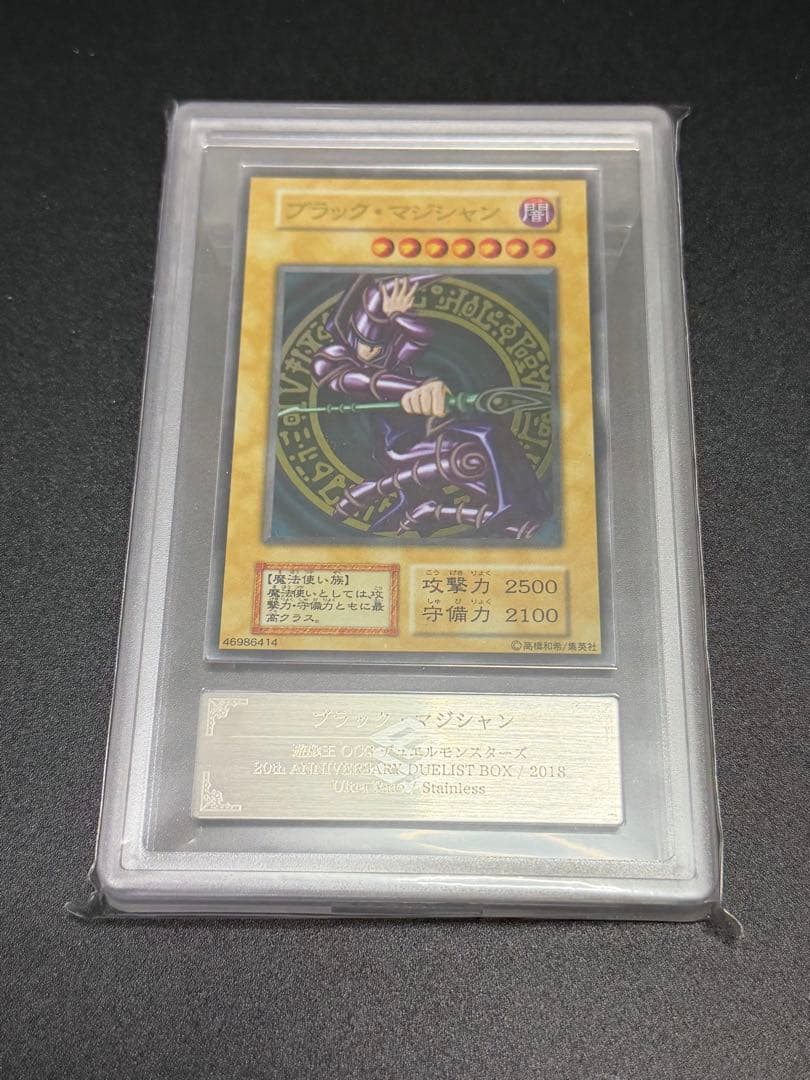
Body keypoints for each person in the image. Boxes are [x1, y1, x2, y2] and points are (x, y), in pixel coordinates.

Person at [311, 274, 549, 539]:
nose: (372, 352)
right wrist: (414, 387)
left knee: (489, 434)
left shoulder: (390, 357)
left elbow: (420, 337)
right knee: (478, 444)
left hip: (428, 430)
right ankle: (510, 510)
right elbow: (366, 381)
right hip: (400, 446)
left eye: (378, 346)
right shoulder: (333, 364)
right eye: (365, 343)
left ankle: (529, 508)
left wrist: (399, 315)